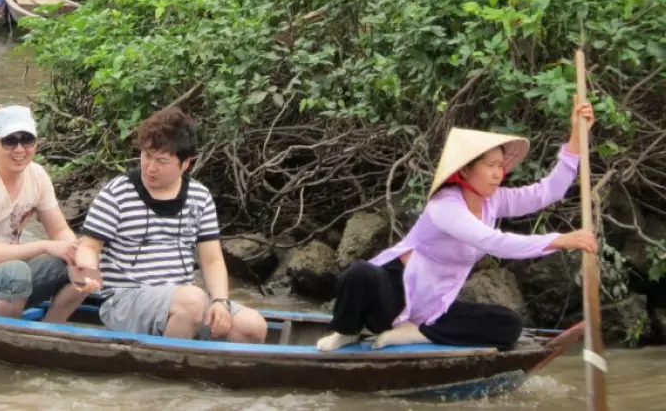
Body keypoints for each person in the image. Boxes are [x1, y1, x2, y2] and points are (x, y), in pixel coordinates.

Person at [316, 102, 599, 352]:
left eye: (501, 166)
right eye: (490, 166)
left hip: (433, 309)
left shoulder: (494, 201)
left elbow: (547, 192)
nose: (498, 174)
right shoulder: (445, 205)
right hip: (392, 296)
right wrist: (559, 240)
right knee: (360, 273)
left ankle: (418, 334)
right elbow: (492, 242)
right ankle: (347, 332)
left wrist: (576, 137)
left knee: (508, 325)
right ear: (465, 170)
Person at [74, 107, 267, 343]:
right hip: (125, 300)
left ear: (185, 163)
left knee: (252, 326)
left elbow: (212, 260)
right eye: (146, 155)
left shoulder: (199, 196)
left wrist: (220, 302)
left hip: (183, 300)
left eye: (162, 161)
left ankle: (202, 368)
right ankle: (171, 372)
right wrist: (88, 273)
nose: (150, 167)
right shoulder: (117, 192)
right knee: (192, 301)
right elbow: (89, 246)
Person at [0, 105, 97, 321]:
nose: (20, 149)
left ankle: (51, 330)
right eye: (10, 141)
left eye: (27, 140)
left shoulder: (37, 175)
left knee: (80, 262)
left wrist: (76, 253)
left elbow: (59, 229)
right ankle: (10, 337)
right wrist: (45, 246)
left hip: (8, 280)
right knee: (16, 272)